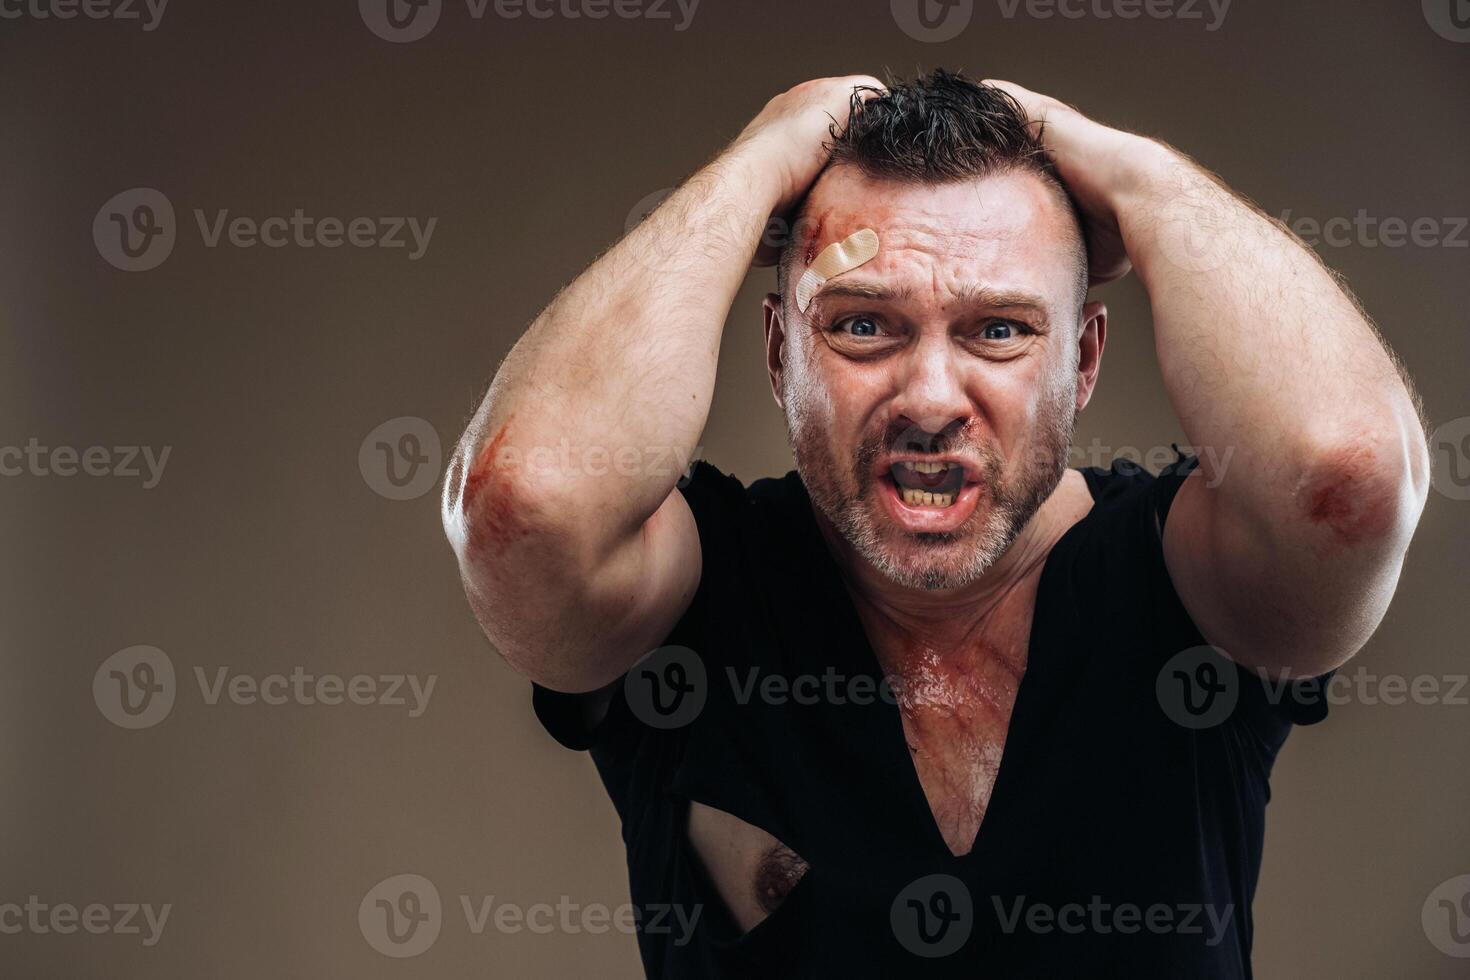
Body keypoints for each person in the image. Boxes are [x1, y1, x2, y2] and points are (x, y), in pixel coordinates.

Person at [440, 70, 1429, 977]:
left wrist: (1137, 176)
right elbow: (523, 505)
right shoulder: (697, 593)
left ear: (1082, 362)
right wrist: (758, 165)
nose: (928, 396)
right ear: (782, 351)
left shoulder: (1190, 589)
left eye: (999, 329)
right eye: (863, 323)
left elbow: (1347, 478)